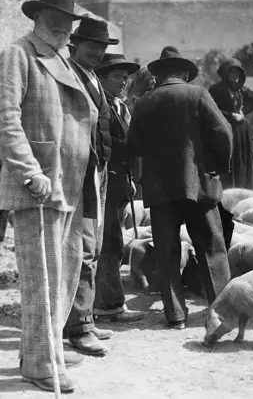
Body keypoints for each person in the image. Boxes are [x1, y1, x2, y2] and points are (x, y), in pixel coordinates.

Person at [0, 0, 98, 393]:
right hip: (37, 187)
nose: (64, 29)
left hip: (68, 186)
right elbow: (2, 120)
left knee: (64, 276)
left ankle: (41, 351)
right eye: (56, 20)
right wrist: (30, 172)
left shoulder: (62, 59)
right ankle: (39, 362)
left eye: (69, 22)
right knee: (43, 280)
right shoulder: (19, 55)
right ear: (37, 17)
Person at [127, 46, 233, 329]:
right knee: (210, 246)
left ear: (158, 75)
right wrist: (218, 167)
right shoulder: (198, 94)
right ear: (185, 73)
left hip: (160, 189)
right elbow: (223, 132)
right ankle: (221, 310)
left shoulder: (144, 102)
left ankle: (175, 314)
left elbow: (134, 145)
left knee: (167, 251)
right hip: (198, 184)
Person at [64, 17, 118, 356]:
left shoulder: (94, 78)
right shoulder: (68, 76)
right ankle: (78, 328)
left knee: (94, 246)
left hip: (99, 170)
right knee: (82, 249)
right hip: (79, 172)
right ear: (75, 45)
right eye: (91, 46)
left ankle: (87, 314)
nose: (97, 53)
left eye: (101, 47)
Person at [93, 53, 145, 325]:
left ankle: (106, 301)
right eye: (117, 76)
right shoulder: (100, 106)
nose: (124, 81)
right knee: (109, 244)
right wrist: (132, 147)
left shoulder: (119, 106)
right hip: (106, 183)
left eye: (126, 77)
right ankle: (107, 306)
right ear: (101, 78)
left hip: (119, 184)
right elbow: (107, 143)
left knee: (113, 242)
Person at [209, 58, 253, 190]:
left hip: (241, 130)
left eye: (237, 73)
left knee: (242, 159)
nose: (234, 76)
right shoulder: (216, 90)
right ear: (225, 73)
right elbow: (212, 109)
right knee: (230, 160)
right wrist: (230, 115)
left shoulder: (240, 88)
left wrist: (243, 111)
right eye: (231, 72)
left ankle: (243, 187)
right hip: (225, 129)